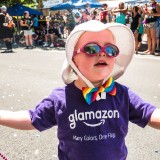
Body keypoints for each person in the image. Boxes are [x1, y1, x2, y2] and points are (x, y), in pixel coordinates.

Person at [0, 20, 160, 160]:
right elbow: (32, 119)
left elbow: (150, 114)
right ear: (73, 59)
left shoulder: (122, 94)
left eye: (111, 50)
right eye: (91, 49)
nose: (103, 53)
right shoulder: (61, 98)